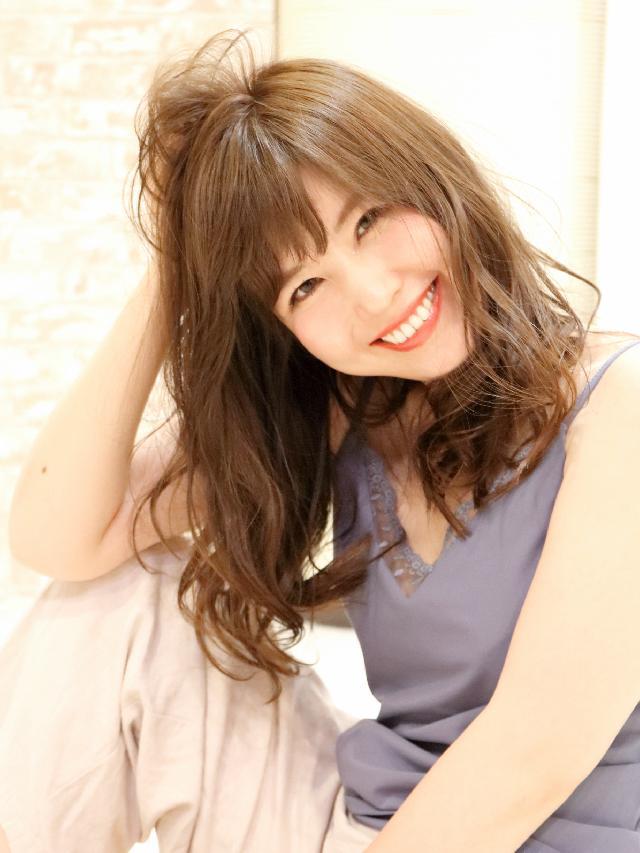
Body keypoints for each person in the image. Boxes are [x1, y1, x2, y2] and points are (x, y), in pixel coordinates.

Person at [2, 26, 640, 853]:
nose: (372, 295)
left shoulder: (618, 404)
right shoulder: (350, 410)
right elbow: (60, 535)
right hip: (367, 828)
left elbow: (533, 754)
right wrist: (176, 257)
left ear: (431, 177)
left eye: (370, 219)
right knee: (124, 600)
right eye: (305, 285)